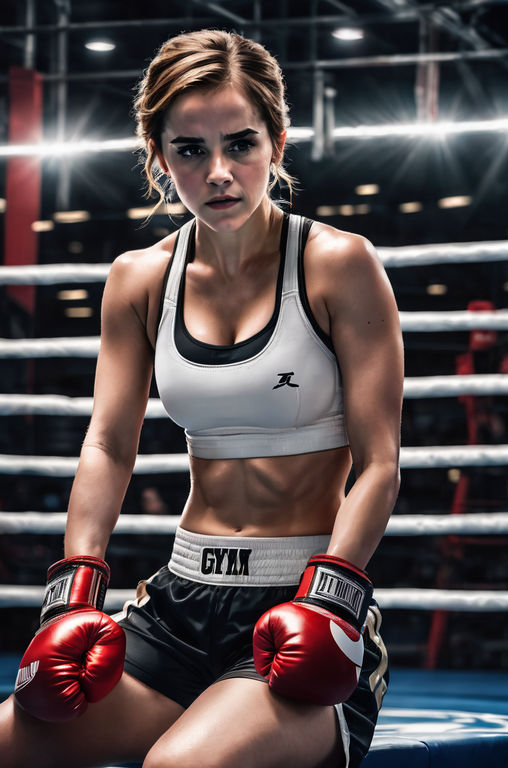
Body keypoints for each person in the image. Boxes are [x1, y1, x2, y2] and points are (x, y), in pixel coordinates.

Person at [0, 29, 403, 768]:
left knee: (180, 767)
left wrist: (332, 597)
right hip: (179, 603)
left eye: (241, 144)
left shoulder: (337, 265)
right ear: (159, 157)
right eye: (189, 150)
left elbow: (380, 463)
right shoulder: (139, 278)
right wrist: (75, 589)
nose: (219, 172)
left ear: (277, 144)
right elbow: (108, 445)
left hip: (301, 600)